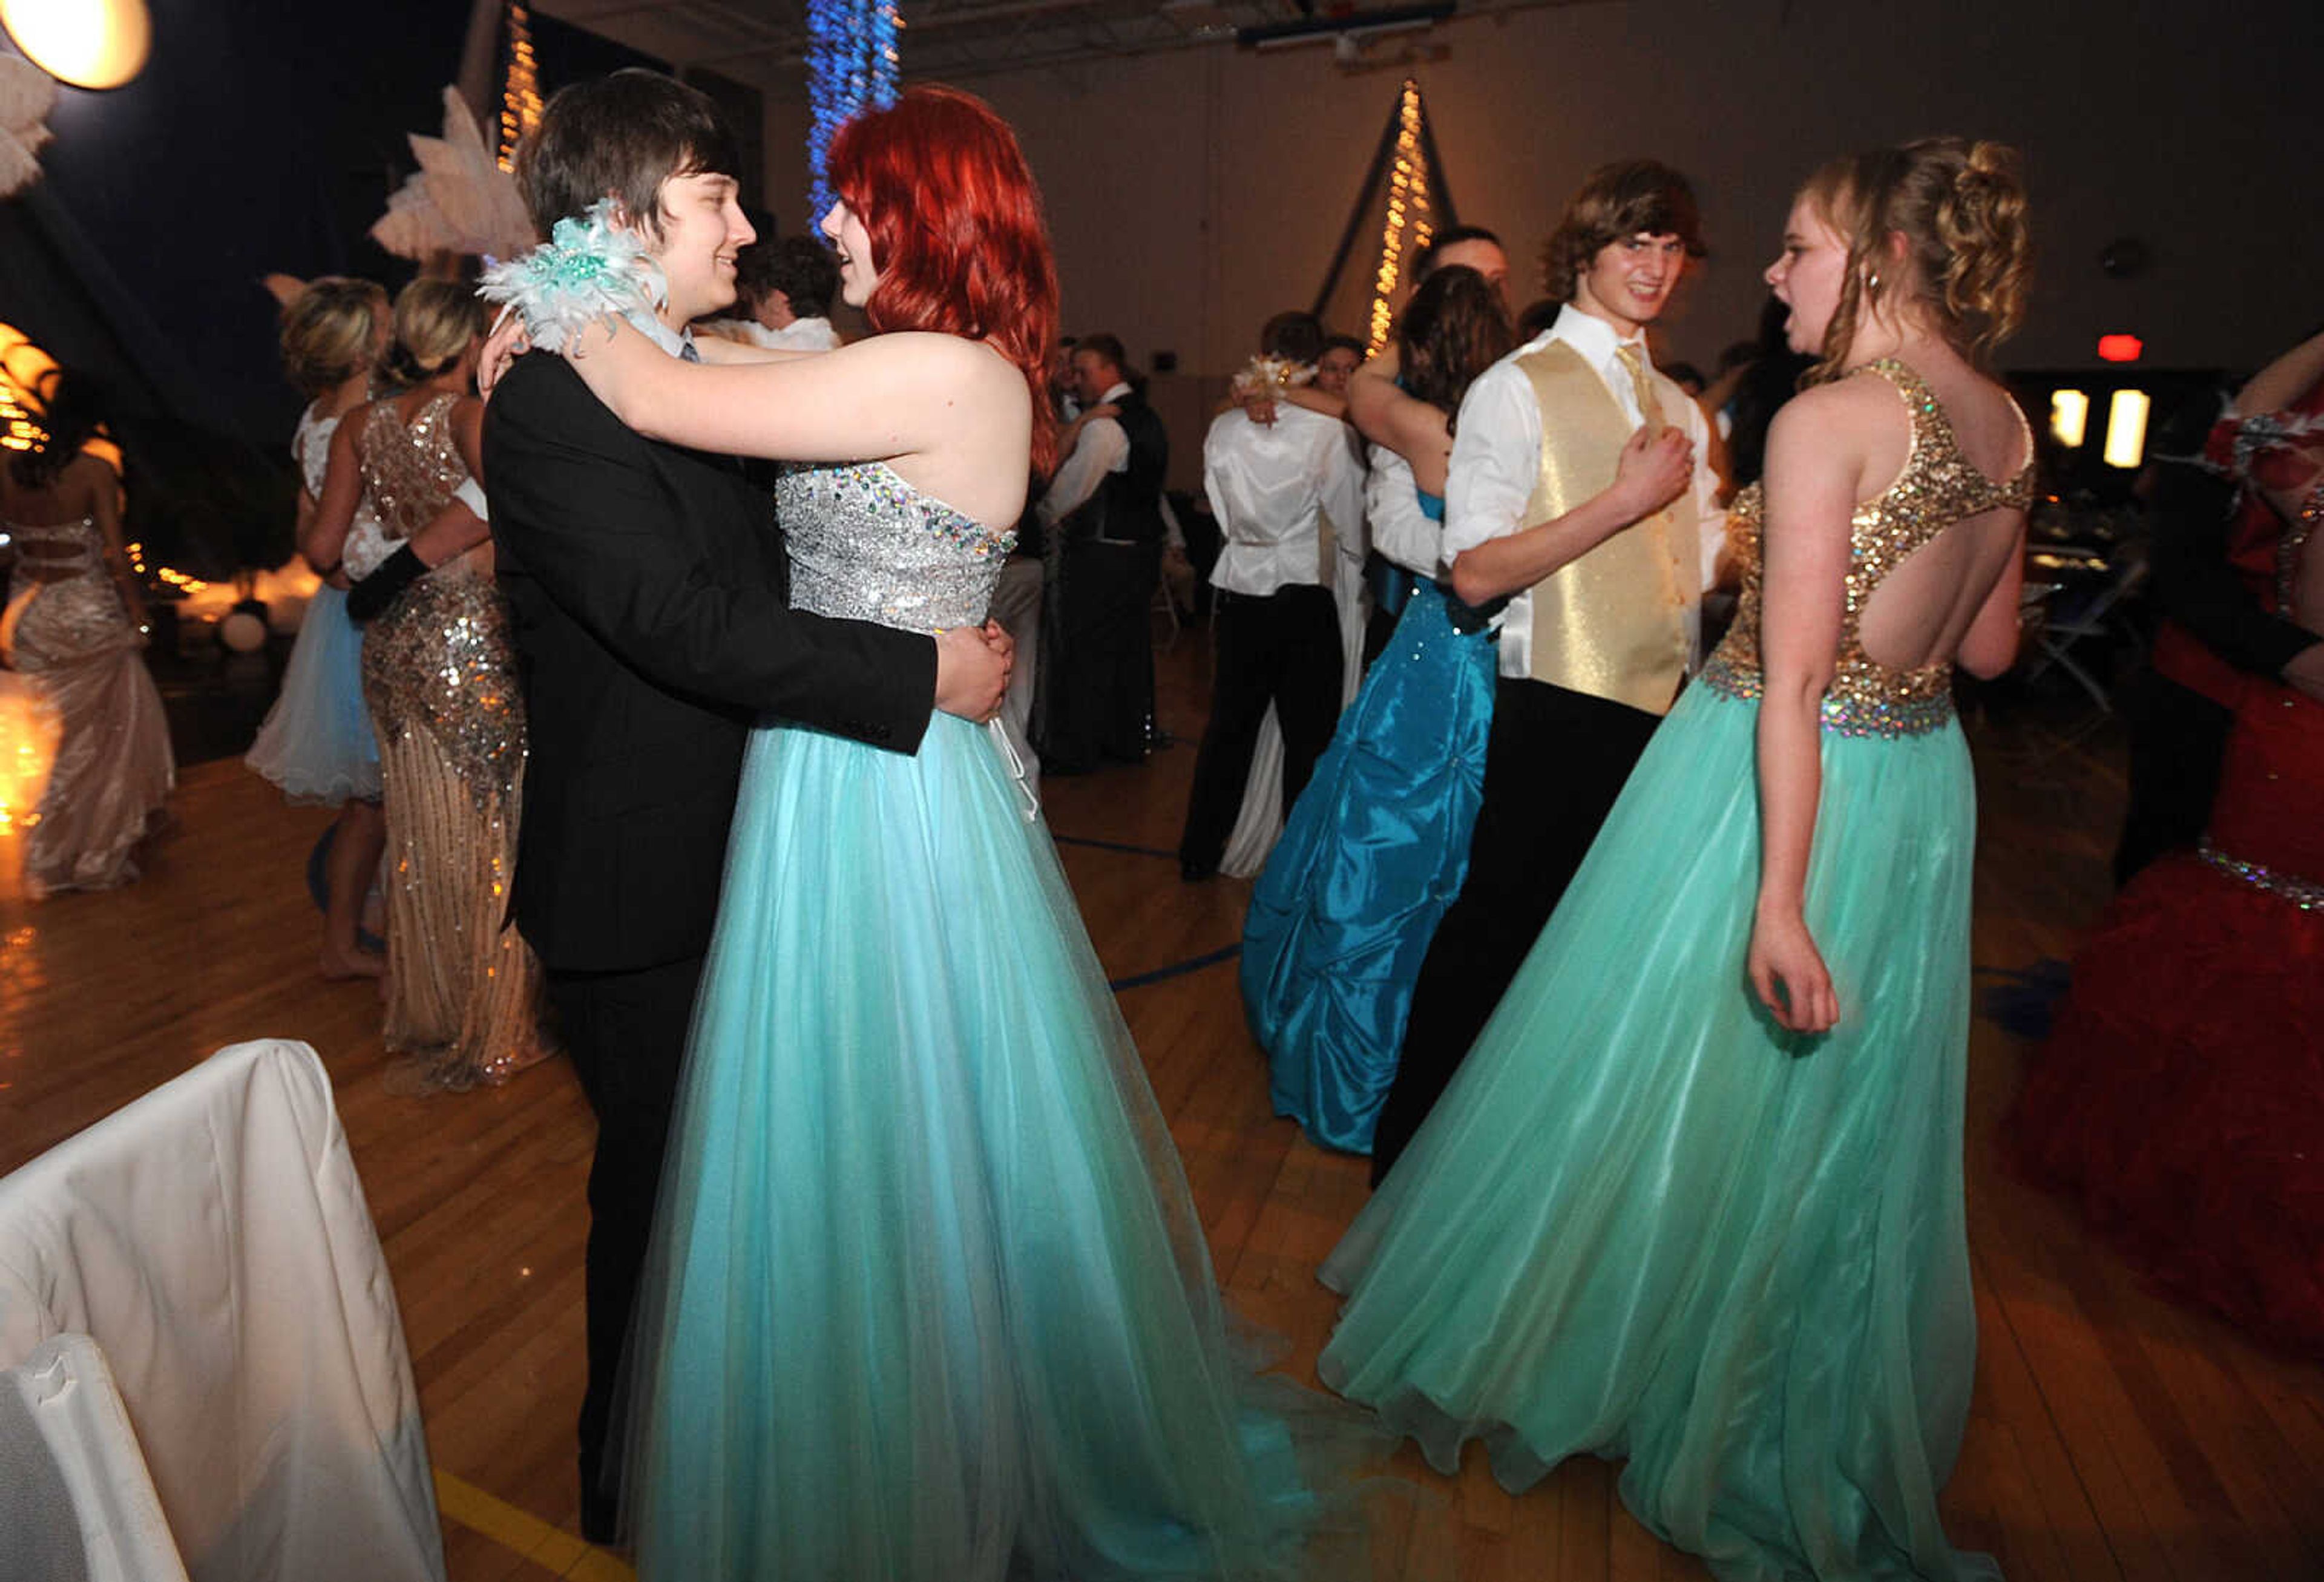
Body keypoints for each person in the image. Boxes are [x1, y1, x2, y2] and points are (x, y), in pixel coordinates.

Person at [508, 84, 1368, 1578]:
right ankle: (863, 1424)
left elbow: (664, 395)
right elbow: (696, 373)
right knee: (851, 1137)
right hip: (834, 762)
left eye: (847, 199)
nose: (809, 222)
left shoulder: (939, 370)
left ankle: (914, 1453)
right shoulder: (887, 361)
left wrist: (554, 291)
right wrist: (573, 307)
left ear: (915, 216)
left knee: (889, 1133)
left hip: (876, 784)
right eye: (741, 195)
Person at [1318, 137, 2034, 1582]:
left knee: (1639, 1059)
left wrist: (1773, 892)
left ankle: (1604, 1340)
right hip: (1915, 784)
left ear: (1876, 261)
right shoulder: (2006, 422)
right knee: (1824, 1113)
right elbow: (1993, 646)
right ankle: (1756, 1375)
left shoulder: (1830, 416)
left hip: (1766, 769)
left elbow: (1782, 682)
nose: (1770, 276)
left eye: (1797, 248)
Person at [476, 68, 1002, 1544]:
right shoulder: (548, 398)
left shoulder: (678, 362)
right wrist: (919, 674)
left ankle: (752, 1462)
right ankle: (634, 1490)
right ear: (623, 215)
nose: (748, 220)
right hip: (641, 883)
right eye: (714, 192)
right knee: (660, 1208)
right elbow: (676, 623)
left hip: (752, 850)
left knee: (754, 1197)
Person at [1365, 160, 1722, 1184]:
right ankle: (1416, 1174)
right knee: (1494, 941)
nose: (1653, 266)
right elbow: (1472, 570)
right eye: (1632, 244)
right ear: (1586, 252)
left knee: (1612, 960)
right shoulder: (1514, 386)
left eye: (1669, 247)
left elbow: (1694, 577)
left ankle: (1551, 1175)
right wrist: (1619, 501)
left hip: (1664, 722)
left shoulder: (1682, 410)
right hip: (1554, 708)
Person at [2011, 328, 2324, 1353]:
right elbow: (2239, 442)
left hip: (2278, 711)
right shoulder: (2291, 468)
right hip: (2265, 707)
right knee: (2239, 923)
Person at [1244, 264, 1512, 1153]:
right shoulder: (1446, 427)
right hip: (1476, 652)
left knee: (1403, 853)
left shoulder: (1423, 425)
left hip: (1452, 652)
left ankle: (1411, 1058)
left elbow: (1400, 532)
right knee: (1428, 852)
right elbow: (1414, 538)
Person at [315, 280, 548, 1090]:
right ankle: (493, 1021)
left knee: (418, 828)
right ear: (468, 339)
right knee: (491, 827)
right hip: (472, 634)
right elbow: (519, 513)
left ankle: (432, 1007)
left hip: (392, 642)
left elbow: (324, 550)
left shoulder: (354, 426)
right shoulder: (469, 418)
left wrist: (390, 564)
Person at [2109, 326, 2324, 884]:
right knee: (2181, 878)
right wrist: (2294, 655)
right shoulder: (2263, 416)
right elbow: (2185, 571)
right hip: (2215, 688)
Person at [1178, 310, 1367, 882]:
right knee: (1309, 734)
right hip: (1302, 593)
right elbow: (1350, 515)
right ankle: (1299, 862)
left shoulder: (1225, 427)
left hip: (1240, 591)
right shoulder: (1326, 430)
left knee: (1228, 729)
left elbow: (1215, 502)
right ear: (1312, 362)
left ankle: (1198, 853)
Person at [244, 277, 393, 978]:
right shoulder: (368, 417)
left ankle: (368, 922)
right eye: (386, 318)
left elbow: (310, 529)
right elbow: (341, 543)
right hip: (374, 617)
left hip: (342, 617)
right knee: (377, 801)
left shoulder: (316, 414)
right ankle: (344, 938)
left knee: (377, 800)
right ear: (365, 342)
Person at [0, 370, 172, 897]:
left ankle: (51, 857)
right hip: (86, 614)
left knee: (51, 735)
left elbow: (7, 547)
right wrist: (139, 610)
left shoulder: (5, 465)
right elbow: (116, 554)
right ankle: (89, 854)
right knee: (105, 739)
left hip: (29, 611)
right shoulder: (96, 469)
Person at [1033, 332, 1167, 773]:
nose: (1077, 380)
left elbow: (1072, 490)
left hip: (1103, 555)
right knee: (1127, 650)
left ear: (1111, 370)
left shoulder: (1105, 426)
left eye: (1084, 371)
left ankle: (1076, 751)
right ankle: (1125, 741)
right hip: (1142, 552)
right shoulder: (1146, 417)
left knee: (1085, 652)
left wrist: (1040, 517)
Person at [698, 232, 844, 352]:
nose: (753, 313)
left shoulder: (790, 346)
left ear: (777, 303)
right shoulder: (830, 340)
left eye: (754, 300)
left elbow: (731, 334)